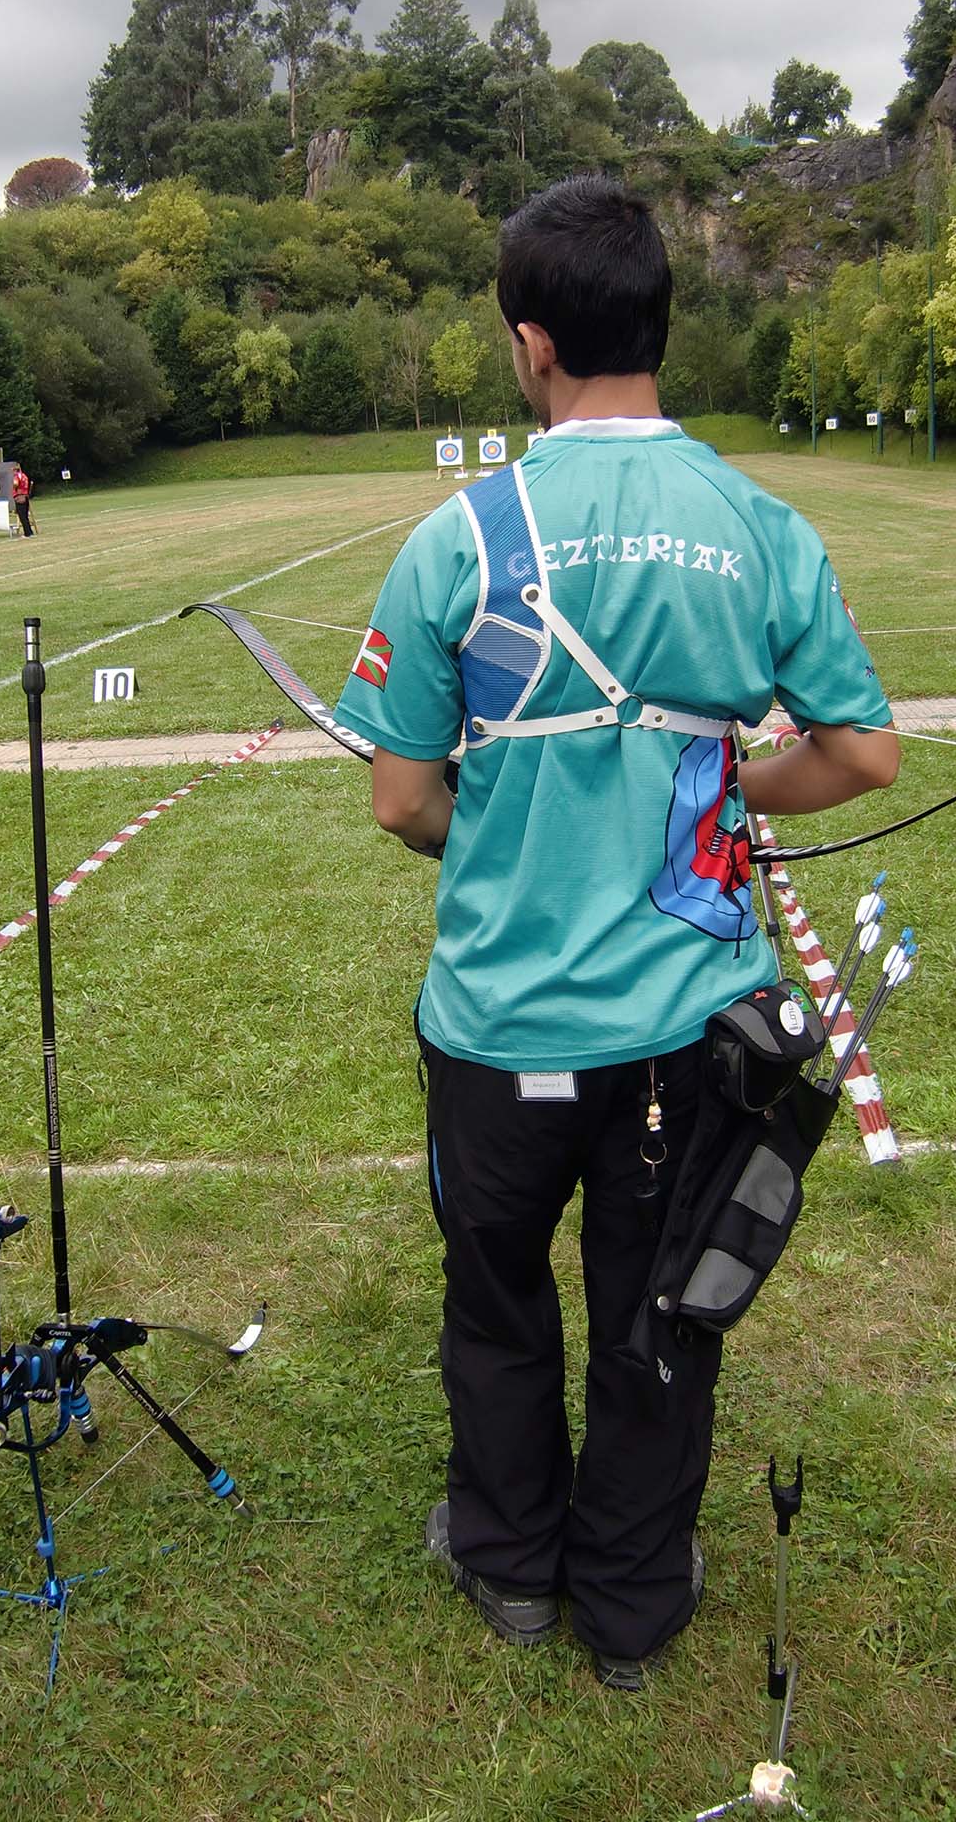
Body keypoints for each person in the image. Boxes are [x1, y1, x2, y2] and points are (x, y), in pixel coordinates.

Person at [332, 175, 900, 1690]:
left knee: (497, 1302)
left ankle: (513, 1566)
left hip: (499, 1027)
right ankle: (633, 1602)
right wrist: (721, 795)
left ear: (532, 343)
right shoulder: (757, 523)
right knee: (663, 1313)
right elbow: (862, 753)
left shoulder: (458, 538)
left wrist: (494, 826)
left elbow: (403, 801)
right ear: (659, 324)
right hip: (687, 1031)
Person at [11, 465, 35, 537]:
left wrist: (14, 488)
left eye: (13, 471)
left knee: (22, 516)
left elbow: (15, 483)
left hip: (19, 497)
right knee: (25, 516)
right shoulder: (24, 476)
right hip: (25, 496)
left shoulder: (16, 476)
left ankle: (27, 533)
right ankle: (30, 532)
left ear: (15, 470)